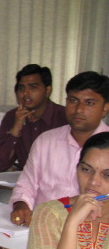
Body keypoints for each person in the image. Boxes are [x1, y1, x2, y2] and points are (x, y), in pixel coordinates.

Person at [10, 71, 109, 227]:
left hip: (93, 231)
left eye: (89, 103)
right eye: (73, 100)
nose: (79, 109)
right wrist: (21, 205)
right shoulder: (46, 141)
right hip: (41, 226)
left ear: (105, 109)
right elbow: (26, 185)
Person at [0, 64, 67, 172]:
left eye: (33, 87)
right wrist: (15, 129)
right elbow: (0, 164)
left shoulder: (64, 117)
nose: (25, 93)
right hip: (25, 179)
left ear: (47, 90)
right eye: (21, 88)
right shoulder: (12, 117)